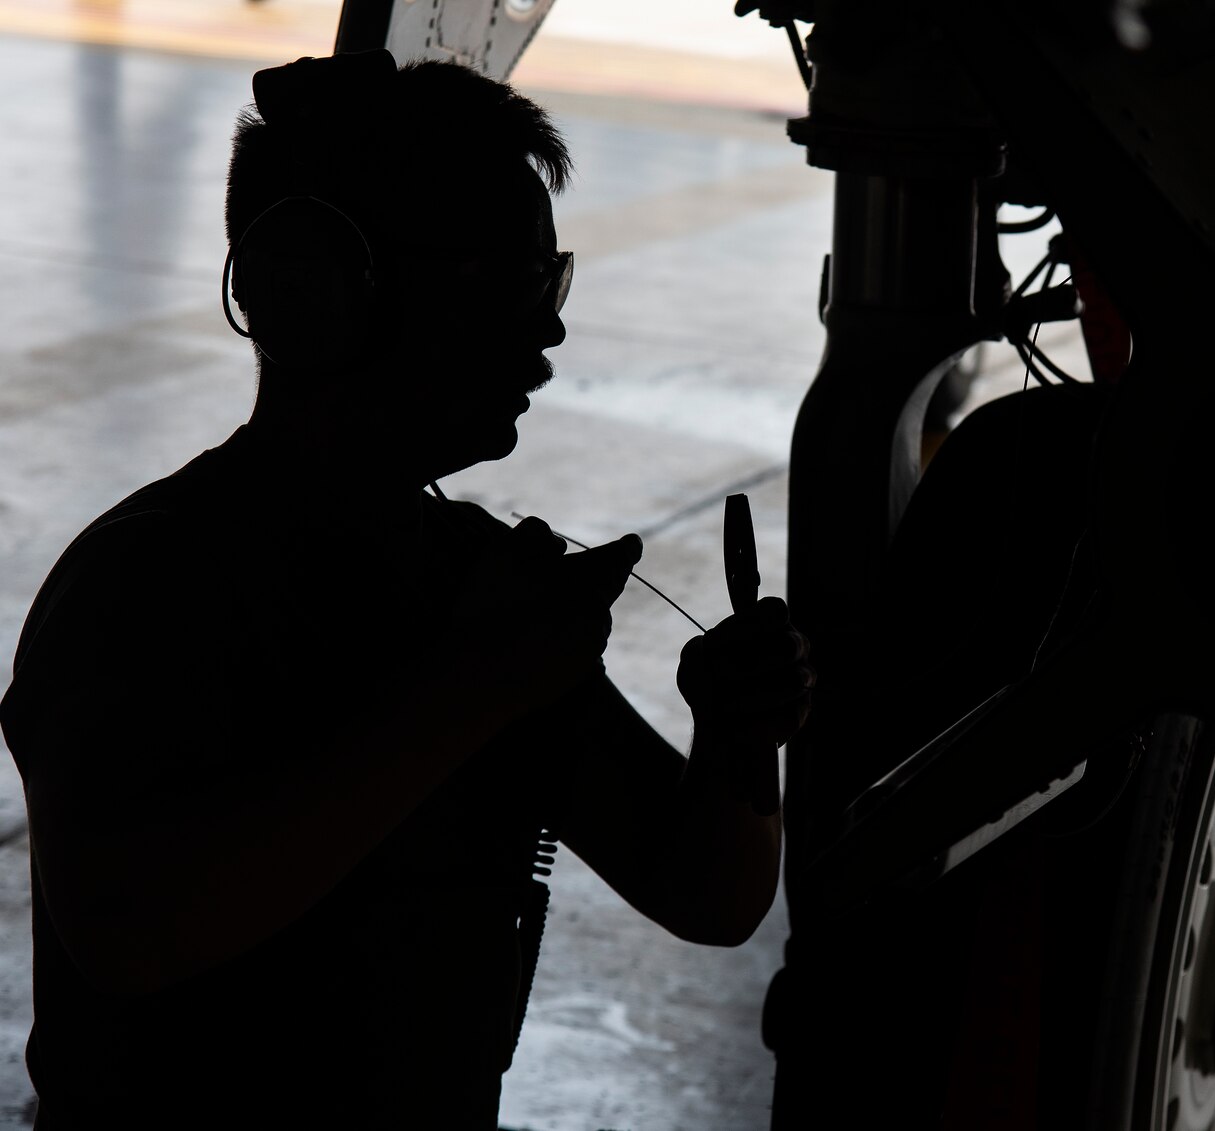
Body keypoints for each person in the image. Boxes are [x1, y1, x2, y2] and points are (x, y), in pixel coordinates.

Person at [0, 51, 811, 1127]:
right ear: (320, 292)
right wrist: (474, 690)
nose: (549, 326)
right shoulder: (146, 583)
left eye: (549, 281)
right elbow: (131, 933)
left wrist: (736, 738)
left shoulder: (478, 589)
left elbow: (708, 893)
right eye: (506, 284)